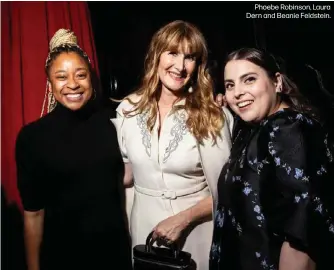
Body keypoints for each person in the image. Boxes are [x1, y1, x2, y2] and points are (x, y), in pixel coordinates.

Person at [112, 20, 233, 269]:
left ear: (198, 65)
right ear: (157, 55)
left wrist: (183, 219)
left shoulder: (211, 115)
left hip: (196, 229)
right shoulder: (128, 110)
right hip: (144, 228)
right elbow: (127, 173)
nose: (180, 66)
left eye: (189, 57)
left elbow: (227, 190)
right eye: (173, 53)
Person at [15, 29, 132, 270]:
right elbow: (33, 215)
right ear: (50, 83)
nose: (73, 84)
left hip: (114, 255)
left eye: (81, 75)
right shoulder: (32, 138)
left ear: (90, 77)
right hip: (63, 257)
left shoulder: (114, 123)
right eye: (61, 77)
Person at [210, 47, 334, 270]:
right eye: (230, 85)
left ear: (277, 82)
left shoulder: (287, 129)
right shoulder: (256, 129)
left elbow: (302, 232)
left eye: (249, 80)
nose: (237, 92)